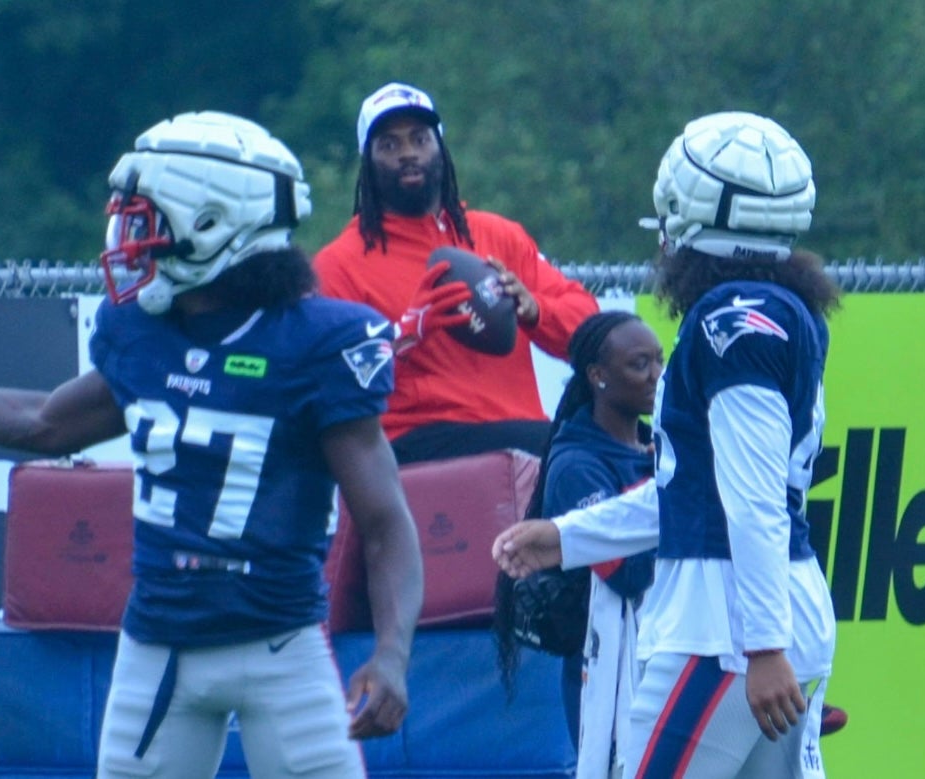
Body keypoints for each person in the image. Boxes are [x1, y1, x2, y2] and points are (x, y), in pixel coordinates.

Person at [0, 111, 424, 779]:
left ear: (213, 222)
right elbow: (45, 421)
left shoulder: (315, 342)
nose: (129, 237)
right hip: (158, 649)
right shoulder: (144, 333)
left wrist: (392, 653)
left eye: (147, 218)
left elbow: (383, 521)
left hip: (281, 648)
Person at [493, 111, 841, 778]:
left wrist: (763, 643)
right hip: (762, 614)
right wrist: (567, 536)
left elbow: (751, 499)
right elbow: (693, 491)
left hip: (727, 626)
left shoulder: (732, 320)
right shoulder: (777, 308)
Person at [312, 81, 600, 464]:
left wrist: (535, 311)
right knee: (558, 446)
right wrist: (403, 335)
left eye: (420, 139)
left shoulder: (499, 235)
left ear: (441, 148)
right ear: (367, 162)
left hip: (521, 433)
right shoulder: (339, 263)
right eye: (390, 145)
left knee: (620, 444)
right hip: (413, 444)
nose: (408, 154)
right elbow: (326, 384)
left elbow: (592, 330)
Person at [494, 310, 662, 778]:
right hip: (605, 671)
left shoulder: (656, 448)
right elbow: (624, 573)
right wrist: (664, 499)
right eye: (639, 364)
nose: (656, 376)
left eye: (660, 362)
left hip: (660, 653)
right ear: (597, 376)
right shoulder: (577, 464)